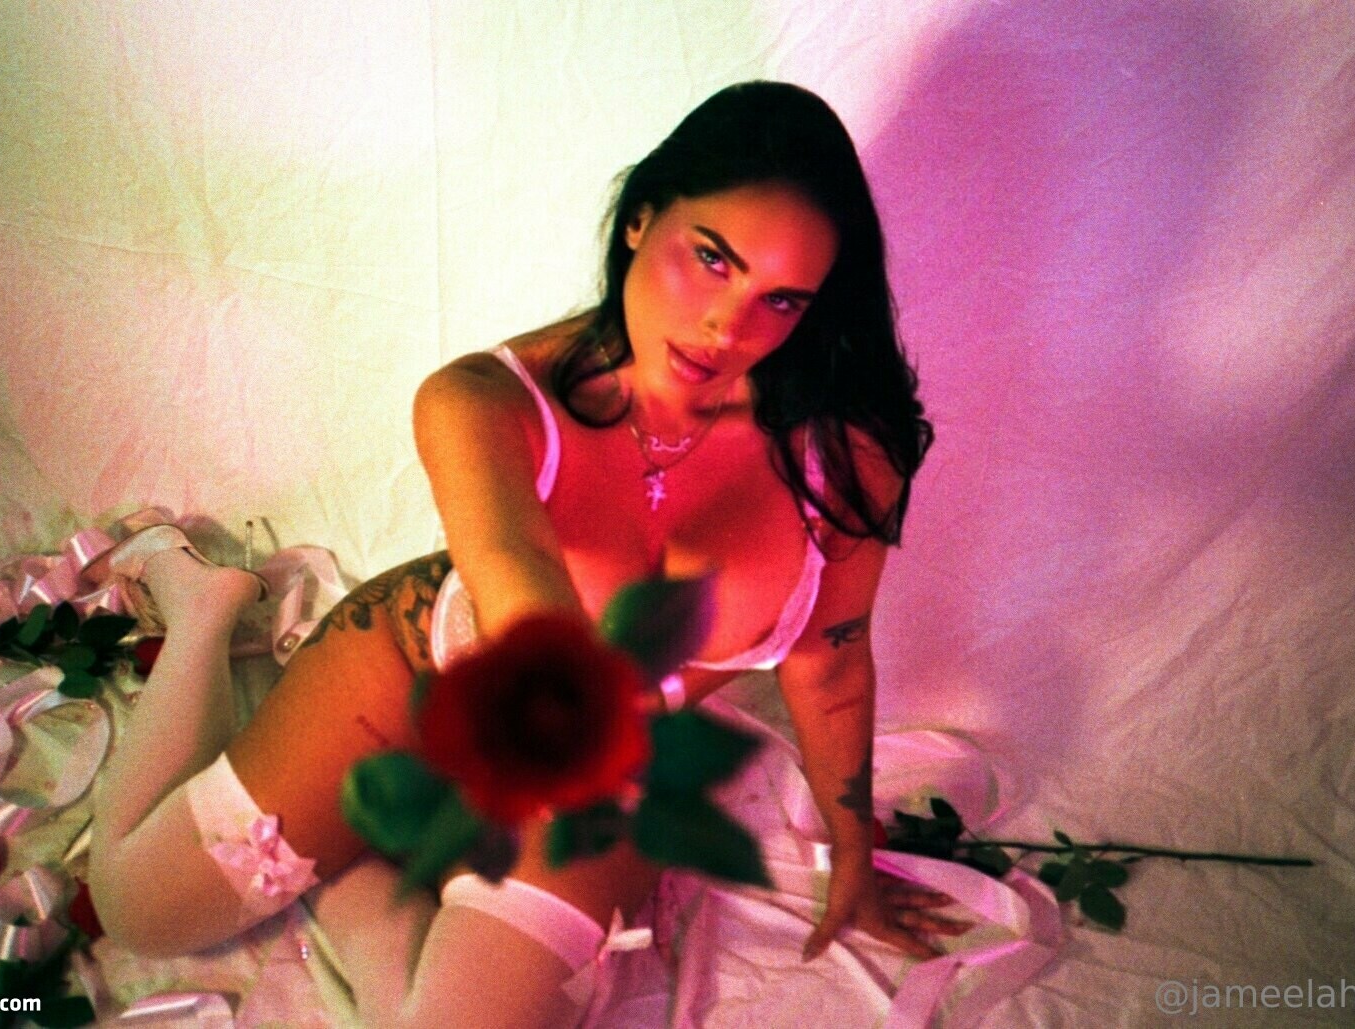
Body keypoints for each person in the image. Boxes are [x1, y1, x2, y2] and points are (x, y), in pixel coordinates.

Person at [88, 80, 962, 1027]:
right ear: (641, 218)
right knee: (141, 909)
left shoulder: (845, 461)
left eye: (779, 300)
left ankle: (367, 886)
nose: (728, 326)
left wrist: (852, 854)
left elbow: (830, 666)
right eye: (711, 259)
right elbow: (520, 585)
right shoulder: (481, 400)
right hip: (415, 670)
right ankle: (206, 607)